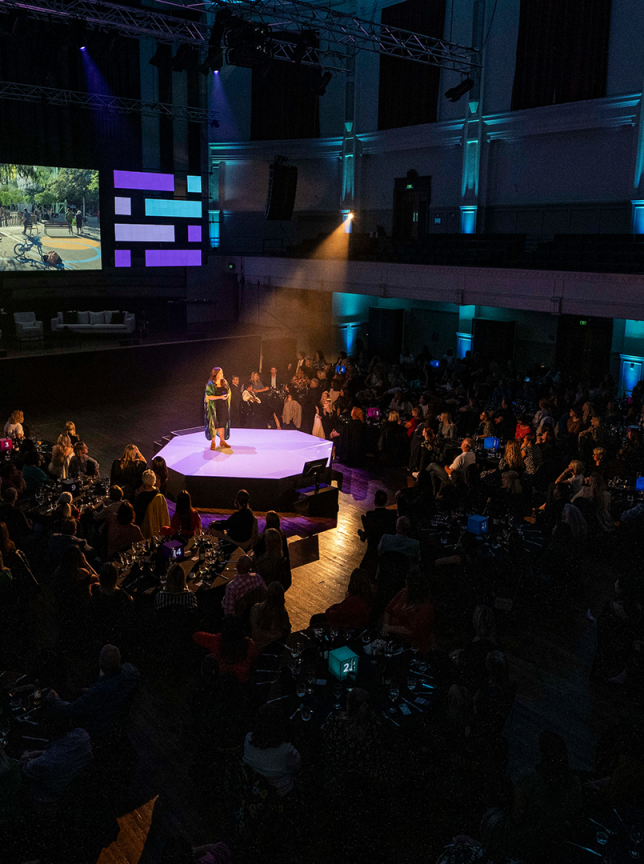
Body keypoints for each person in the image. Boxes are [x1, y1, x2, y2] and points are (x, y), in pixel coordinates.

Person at [47, 644, 140, 738]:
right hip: (115, 718)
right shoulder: (130, 670)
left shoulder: (99, 690)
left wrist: (54, 699)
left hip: (98, 730)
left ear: (101, 663)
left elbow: (71, 710)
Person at [20, 720, 92, 807]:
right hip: (77, 785)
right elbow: (56, 751)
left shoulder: (43, 763)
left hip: (47, 797)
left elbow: (24, 769)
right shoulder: (82, 736)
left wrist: (26, 756)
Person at [243, 704, 301, 796]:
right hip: (282, 791)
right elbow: (296, 768)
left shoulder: (248, 738)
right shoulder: (287, 751)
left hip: (254, 789)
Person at [192, 617, 259, 684]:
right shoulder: (250, 644)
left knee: (208, 658)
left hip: (218, 680)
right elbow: (255, 657)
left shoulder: (217, 641)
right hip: (241, 683)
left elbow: (196, 636)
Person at [383, 568, 434, 653]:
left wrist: (389, 628)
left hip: (411, 646)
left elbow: (412, 631)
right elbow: (388, 610)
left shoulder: (426, 605)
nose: (405, 584)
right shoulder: (403, 593)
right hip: (393, 639)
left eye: (408, 583)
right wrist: (385, 626)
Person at [88, 563, 134, 643]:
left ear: (100, 578)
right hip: (118, 636)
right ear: (116, 578)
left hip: (99, 635)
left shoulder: (94, 594)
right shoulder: (123, 596)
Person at [358, 489, 397, 575]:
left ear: (374, 500)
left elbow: (371, 532)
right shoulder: (392, 515)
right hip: (387, 550)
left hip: (373, 550)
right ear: (386, 501)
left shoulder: (370, 515)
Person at [250, 581, 291, 651]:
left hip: (257, 647)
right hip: (274, 650)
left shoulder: (255, 608)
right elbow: (287, 633)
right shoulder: (282, 616)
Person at [254, 527, 291, 591]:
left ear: (268, 542)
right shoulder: (282, 559)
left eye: (265, 539)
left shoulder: (266, 561)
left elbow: (257, 575)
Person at [204, 366, 231, 452]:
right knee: (214, 424)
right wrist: (220, 397)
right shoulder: (211, 384)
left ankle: (222, 441)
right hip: (214, 407)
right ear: (215, 374)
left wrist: (227, 396)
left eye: (222, 373)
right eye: (220, 373)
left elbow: (229, 392)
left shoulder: (225, 382)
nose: (221, 374)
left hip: (223, 406)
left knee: (222, 423)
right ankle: (213, 442)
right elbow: (209, 397)